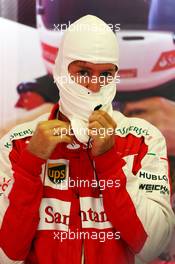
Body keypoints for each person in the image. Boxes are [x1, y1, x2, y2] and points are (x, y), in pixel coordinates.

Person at [0, 15, 174, 264]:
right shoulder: (17, 143)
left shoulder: (143, 139)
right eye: (83, 72)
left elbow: (151, 245)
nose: (94, 85)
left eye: (105, 74)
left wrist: (109, 161)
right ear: (61, 70)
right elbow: (7, 254)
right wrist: (30, 165)